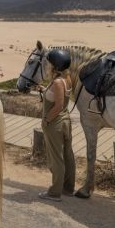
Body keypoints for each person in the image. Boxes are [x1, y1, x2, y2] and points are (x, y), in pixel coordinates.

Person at [38, 49, 75, 202]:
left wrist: (46, 120)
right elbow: (58, 98)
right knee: (67, 155)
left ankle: (54, 193)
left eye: (50, 63)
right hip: (65, 121)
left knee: (56, 158)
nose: (48, 65)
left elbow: (58, 105)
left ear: (55, 66)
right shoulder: (66, 79)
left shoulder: (58, 82)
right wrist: (44, 90)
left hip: (55, 123)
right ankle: (68, 188)